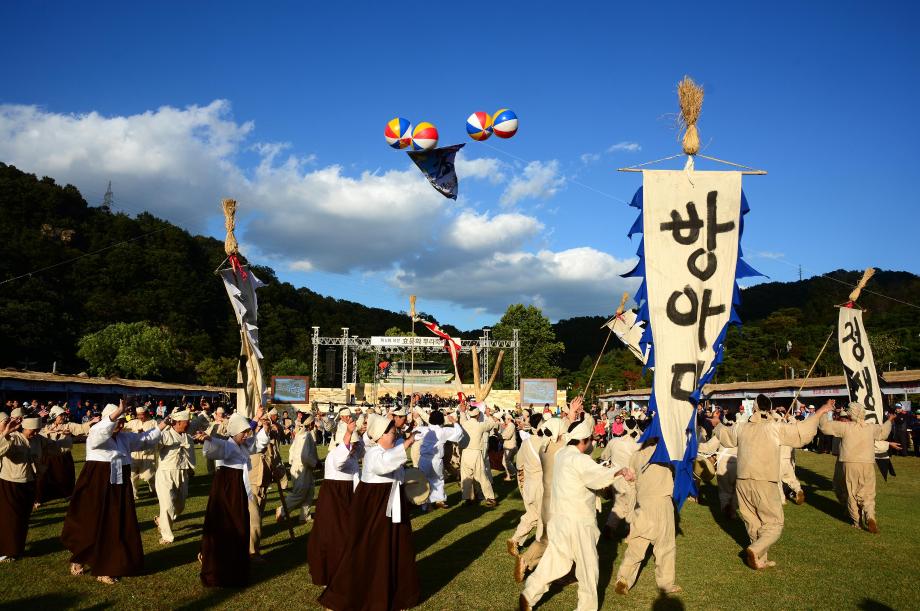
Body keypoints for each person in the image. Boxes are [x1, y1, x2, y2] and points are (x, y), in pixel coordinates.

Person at [519, 415, 635, 611]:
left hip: (560, 520)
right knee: (588, 569)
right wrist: (620, 471)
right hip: (579, 523)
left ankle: (529, 594)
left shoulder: (562, 454)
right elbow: (598, 477)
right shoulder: (579, 460)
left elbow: (589, 473)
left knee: (554, 561)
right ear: (583, 441)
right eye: (589, 439)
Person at [710, 395, 831, 570]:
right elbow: (801, 432)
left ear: (754, 409)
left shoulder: (742, 427)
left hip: (743, 481)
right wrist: (820, 411)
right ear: (770, 408)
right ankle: (755, 549)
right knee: (774, 523)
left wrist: (718, 423)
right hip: (764, 480)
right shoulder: (774, 427)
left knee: (753, 521)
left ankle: (760, 559)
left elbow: (725, 435)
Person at [318, 414, 420, 611]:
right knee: (370, 550)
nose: (394, 436)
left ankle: (397, 593)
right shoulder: (374, 453)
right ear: (380, 435)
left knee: (397, 547)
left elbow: (395, 469)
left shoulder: (388, 450)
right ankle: (348, 595)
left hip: (391, 503)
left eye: (394, 432)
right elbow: (384, 465)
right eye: (391, 433)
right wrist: (407, 443)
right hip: (375, 508)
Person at [61, 401, 167, 584]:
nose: (120, 424)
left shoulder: (124, 438)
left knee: (114, 525)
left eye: (121, 421)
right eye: (117, 420)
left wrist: (164, 424)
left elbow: (145, 440)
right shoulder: (96, 434)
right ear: (108, 420)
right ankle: (80, 557)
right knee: (91, 523)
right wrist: (117, 412)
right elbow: (101, 432)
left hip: (119, 487)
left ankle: (106, 566)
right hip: (96, 486)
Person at [196, 409, 270, 587]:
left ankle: (235, 568)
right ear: (236, 432)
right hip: (226, 491)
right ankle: (218, 567)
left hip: (238, 490)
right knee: (227, 526)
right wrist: (208, 439)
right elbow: (217, 447)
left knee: (239, 526)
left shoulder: (243, 445)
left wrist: (263, 427)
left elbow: (257, 443)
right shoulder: (228, 445)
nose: (246, 435)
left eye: (247, 432)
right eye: (243, 433)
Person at [614, 437, 681, 595]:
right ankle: (665, 584)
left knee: (637, 544)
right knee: (665, 546)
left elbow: (631, 479)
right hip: (661, 502)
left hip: (641, 503)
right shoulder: (666, 454)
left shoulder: (636, 455)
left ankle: (623, 578)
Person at [819, 402, 894, 533]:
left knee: (851, 492)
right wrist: (889, 421)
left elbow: (824, 427)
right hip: (868, 463)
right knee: (868, 493)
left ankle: (856, 521)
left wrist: (824, 411)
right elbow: (883, 433)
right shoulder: (870, 428)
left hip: (849, 463)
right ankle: (870, 515)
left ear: (850, 413)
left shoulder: (845, 427)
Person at [307, 418, 360, 586]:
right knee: (333, 537)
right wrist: (349, 434)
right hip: (334, 499)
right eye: (353, 444)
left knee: (347, 536)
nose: (356, 447)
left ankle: (345, 571)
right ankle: (329, 573)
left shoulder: (352, 455)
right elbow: (340, 460)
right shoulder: (335, 454)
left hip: (347, 498)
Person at [0, 416, 45, 562]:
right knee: (10, 519)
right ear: (25, 427)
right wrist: (6, 433)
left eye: (38, 430)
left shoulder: (37, 439)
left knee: (23, 518)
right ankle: (6, 551)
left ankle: (16, 549)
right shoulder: (13, 438)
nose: (35, 433)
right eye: (33, 430)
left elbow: (55, 446)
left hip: (29, 482)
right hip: (10, 483)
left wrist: (69, 436)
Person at [508, 413, 548, 573]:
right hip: (542, 486)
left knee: (532, 515)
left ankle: (515, 539)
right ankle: (536, 552)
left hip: (529, 485)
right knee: (543, 520)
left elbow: (519, 467)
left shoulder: (526, 443)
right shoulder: (547, 443)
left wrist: (523, 485)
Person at [35, 406, 96, 505]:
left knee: (65, 476)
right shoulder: (46, 426)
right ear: (55, 416)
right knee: (43, 478)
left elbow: (80, 428)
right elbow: (39, 435)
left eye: (64, 415)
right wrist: (52, 431)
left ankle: (67, 494)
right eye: (61, 415)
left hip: (63, 456)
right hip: (48, 456)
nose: (63, 417)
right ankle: (40, 499)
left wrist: (91, 422)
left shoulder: (68, 425)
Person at [154, 409, 195, 544]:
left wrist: (190, 468)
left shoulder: (187, 437)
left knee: (180, 505)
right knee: (166, 505)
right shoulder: (165, 435)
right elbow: (153, 442)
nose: (188, 424)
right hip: (166, 473)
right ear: (177, 423)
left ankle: (161, 520)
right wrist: (160, 428)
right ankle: (167, 536)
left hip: (182, 472)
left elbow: (190, 455)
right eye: (186, 422)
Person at [601, 417, 642, 536]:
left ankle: (610, 527)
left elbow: (604, 456)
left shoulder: (614, 442)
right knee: (631, 506)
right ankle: (629, 531)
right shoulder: (637, 446)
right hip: (630, 480)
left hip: (614, 478)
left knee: (618, 504)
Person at [275, 412, 319, 523]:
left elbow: (291, 451)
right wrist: (315, 463)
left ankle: (305, 516)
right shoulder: (306, 435)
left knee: (309, 492)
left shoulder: (302, 434)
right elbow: (304, 456)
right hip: (302, 468)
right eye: (313, 422)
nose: (315, 424)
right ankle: (282, 510)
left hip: (303, 468)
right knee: (299, 493)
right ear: (310, 423)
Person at [459, 401, 499, 507]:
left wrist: (462, 411)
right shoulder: (480, 425)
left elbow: (462, 418)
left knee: (466, 477)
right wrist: (488, 414)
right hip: (475, 452)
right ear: (477, 415)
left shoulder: (464, 424)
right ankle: (490, 498)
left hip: (465, 453)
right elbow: (491, 424)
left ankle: (468, 498)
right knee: (482, 476)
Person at [124, 406, 157, 500]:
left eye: (141, 414)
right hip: (135, 453)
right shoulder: (133, 422)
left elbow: (157, 434)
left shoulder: (153, 422)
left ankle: (153, 490)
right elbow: (124, 427)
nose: (140, 417)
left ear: (146, 413)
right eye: (138, 415)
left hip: (148, 453)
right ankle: (134, 494)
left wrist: (145, 433)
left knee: (149, 475)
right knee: (133, 475)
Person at [502, 414, 519, 482]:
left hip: (510, 446)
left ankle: (515, 473)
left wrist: (500, 435)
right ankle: (509, 475)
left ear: (509, 419)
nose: (504, 420)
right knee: (509, 461)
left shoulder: (511, 425)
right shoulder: (510, 425)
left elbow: (507, 436)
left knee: (505, 462)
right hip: (510, 446)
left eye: (505, 419)